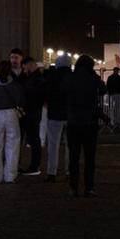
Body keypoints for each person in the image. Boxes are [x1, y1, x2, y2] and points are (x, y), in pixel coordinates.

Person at [63, 55, 112, 196]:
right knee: (89, 158)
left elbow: (63, 91)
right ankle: (89, 187)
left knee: (74, 157)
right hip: (90, 122)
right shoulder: (93, 78)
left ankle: (73, 187)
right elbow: (103, 89)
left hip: (73, 122)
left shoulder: (70, 78)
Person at [0, 60, 25, 184]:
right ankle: (10, 175)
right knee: (13, 145)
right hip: (11, 114)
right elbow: (20, 99)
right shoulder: (15, 84)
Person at [42, 55, 72, 181]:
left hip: (54, 114)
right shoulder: (73, 77)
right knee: (71, 146)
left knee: (53, 145)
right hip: (70, 115)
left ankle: (51, 172)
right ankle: (69, 171)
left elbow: (45, 94)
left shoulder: (51, 77)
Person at [18, 58, 46, 173]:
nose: (24, 70)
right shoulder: (37, 78)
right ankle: (34, 165)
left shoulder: (35, 79)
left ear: (29, 65)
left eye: (24, 67)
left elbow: (33, 96)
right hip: (32, 113)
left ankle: (34, 166)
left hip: (31, 113)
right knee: (34, 140)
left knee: (33, 140)